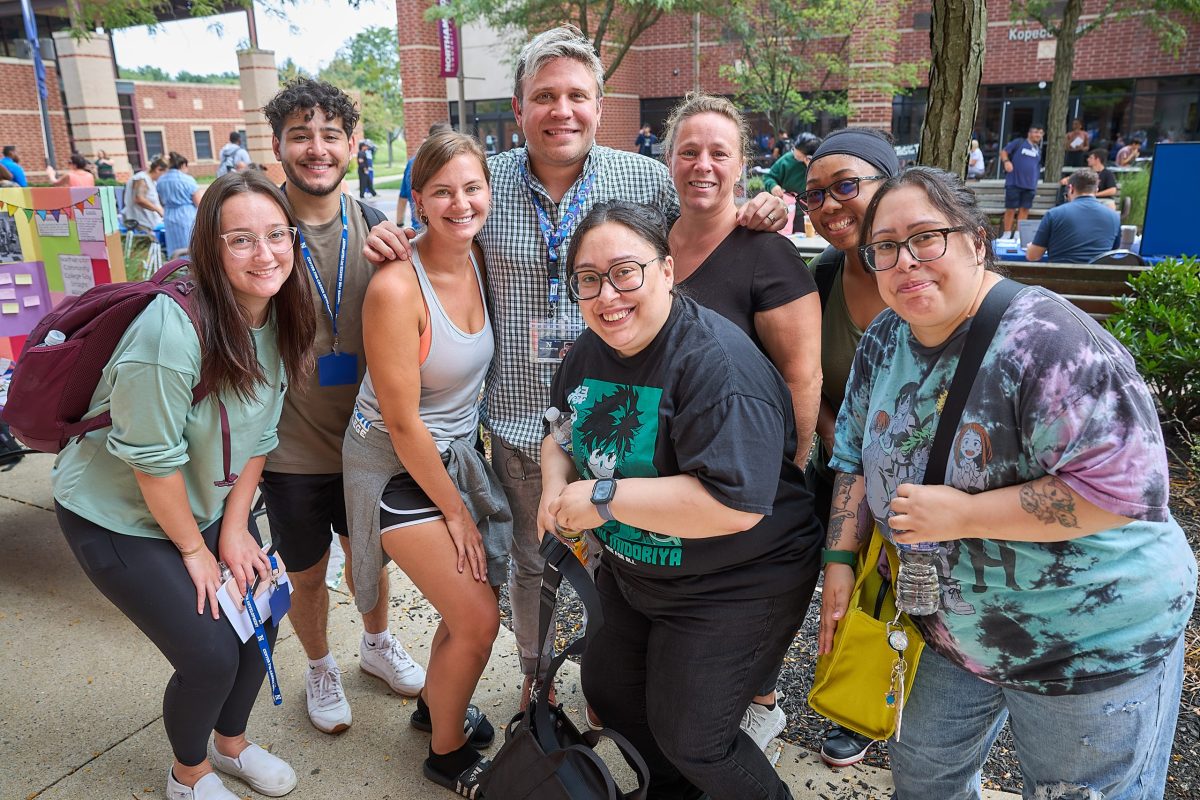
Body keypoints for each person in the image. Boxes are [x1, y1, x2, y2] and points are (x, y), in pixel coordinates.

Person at [362, 24, 790, 711]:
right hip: (520, 420)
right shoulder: (486, 181)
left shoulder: (645, 178)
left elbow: (704, 226)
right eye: (545, 96)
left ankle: (608, 682)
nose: (562, 110)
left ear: (599, 101)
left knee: (622, 561)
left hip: (626, 420)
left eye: (577, 96)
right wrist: (391, 236)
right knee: (533, 565)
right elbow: (436, 230)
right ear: (521, 105)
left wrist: (763, 207)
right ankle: (536, 679)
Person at [824, 165, 1195, 800]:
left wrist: (964, 515)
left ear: (974, 240)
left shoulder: (1050, 344)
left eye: (926, 237)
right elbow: (854, 454)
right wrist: (838, 557)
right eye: (884, 246)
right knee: (924, 778)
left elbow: (1122, 494)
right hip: (947, 631)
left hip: (1086, 645)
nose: (905, 261)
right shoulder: (885, 337)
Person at [541, 200, 821, 800]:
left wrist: (603, 497)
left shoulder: (716, 367)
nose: (607, 294)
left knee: (694, 735)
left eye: (625, 271)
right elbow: (560, 430)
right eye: (588, 279)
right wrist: (552, 486)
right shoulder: (592, 349)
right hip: (638, 569)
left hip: (739, 580)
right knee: (613, 694)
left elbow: (735, 505)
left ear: (667, 270)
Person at [52, 170, 317, 800]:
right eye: (241, 240)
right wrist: (196, 551)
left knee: (259, 616)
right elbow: (152, 463)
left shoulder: (279, 313)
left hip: (208, 504)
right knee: (208, 653)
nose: (266, 253)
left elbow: (260, 436)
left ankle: (231, 745)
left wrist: (232, 530)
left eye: (276, 234)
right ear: (209, 249)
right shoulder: (169, 334)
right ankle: (188, 775)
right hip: (116, 514)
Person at [344, 130, 508, 798]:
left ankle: (435, 702)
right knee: (478, 616)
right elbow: (405, 424)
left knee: (463, 600)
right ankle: (446, 753)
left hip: (452, 457)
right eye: (442, 191)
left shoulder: (480, 258)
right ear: (416, 200)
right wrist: (458, 514)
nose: (460, 203)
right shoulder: (394, 288)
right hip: (392, 464)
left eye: (472, 188)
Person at [260, 77, 426, 736]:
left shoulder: (377, 225)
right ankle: (322, 665)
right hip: (290, 450)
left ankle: (377, 644)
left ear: (353, 144)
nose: (316, 148)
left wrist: (405, 265)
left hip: (365, 443)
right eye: (300, 134)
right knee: (305, 575)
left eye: (330, 134)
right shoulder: (256, 224)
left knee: (370, 563)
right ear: (279, 145)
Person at [662, 92, 822, 750]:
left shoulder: (767, 252)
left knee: (744, 594)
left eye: (718, 153)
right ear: (669, 159)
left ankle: (759, 699)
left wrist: (785, 469)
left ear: (740, 166)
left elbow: (801, 374)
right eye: (689, 151)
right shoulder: (650, 240)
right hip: (668, 466)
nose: (702, 164)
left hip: (743, 469)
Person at [798, 126, 899, 768]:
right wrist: (832, 429)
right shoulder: (826, 273)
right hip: (841, 467)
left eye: (846, 186)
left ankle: (906, 695)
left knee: (898, 589)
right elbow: (806, 371)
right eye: (815, 194)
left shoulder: (918, 268)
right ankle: (856, 704)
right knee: (844, 584)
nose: (831, 205)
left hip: (923, 473)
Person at [1026, 168, 1120, 264]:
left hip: (1059, 276)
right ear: (1096, 190)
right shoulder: (1114, 217)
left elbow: (1033, 256)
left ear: (1071, 188)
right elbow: (1113, 254)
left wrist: (1030, 248)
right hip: (1097, 277)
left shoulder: (1054, 214)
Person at [399, 123, 453, 231]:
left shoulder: (413, 163)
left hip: (419, 229)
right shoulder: (454, 163)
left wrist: (399, 223)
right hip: (441, 230)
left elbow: (403, 197)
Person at [764, 135, 821, 232]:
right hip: (788, 211)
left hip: (814, 212)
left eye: (799, 157)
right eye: (794, 151)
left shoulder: (820, 163)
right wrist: (773, 186)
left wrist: (812, 167)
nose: (794, 156)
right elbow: (769, 177)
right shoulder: (787, 160)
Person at [998, 123, 1043, 237]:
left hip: (1030, 185)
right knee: (1010, 209)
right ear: (1030, 133)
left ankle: (1019, 234)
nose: (1039, 135)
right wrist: (1006, 162)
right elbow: (1003, 152)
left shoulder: (1038, 149)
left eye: (1041, 133)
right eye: (1036, 132)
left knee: (1024, 210)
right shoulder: (1019, 143)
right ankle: (1007, 234)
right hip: (1014, 182)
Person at [157, 152, 203, 256]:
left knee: (173, 246)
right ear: (182, 165)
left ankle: (174, 268)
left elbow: (161, 200)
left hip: (169, 214)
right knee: (189, 245)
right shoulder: (187, 179)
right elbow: (199, 202)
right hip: (186, 214)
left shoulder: (161, 180)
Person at [123, 157, 167, 232]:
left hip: (149, 222)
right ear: (158, 169)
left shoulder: (152, 181)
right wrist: (158, 209)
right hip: (140, 222)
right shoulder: (141, 179)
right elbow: (139, 199)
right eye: (165, 173)